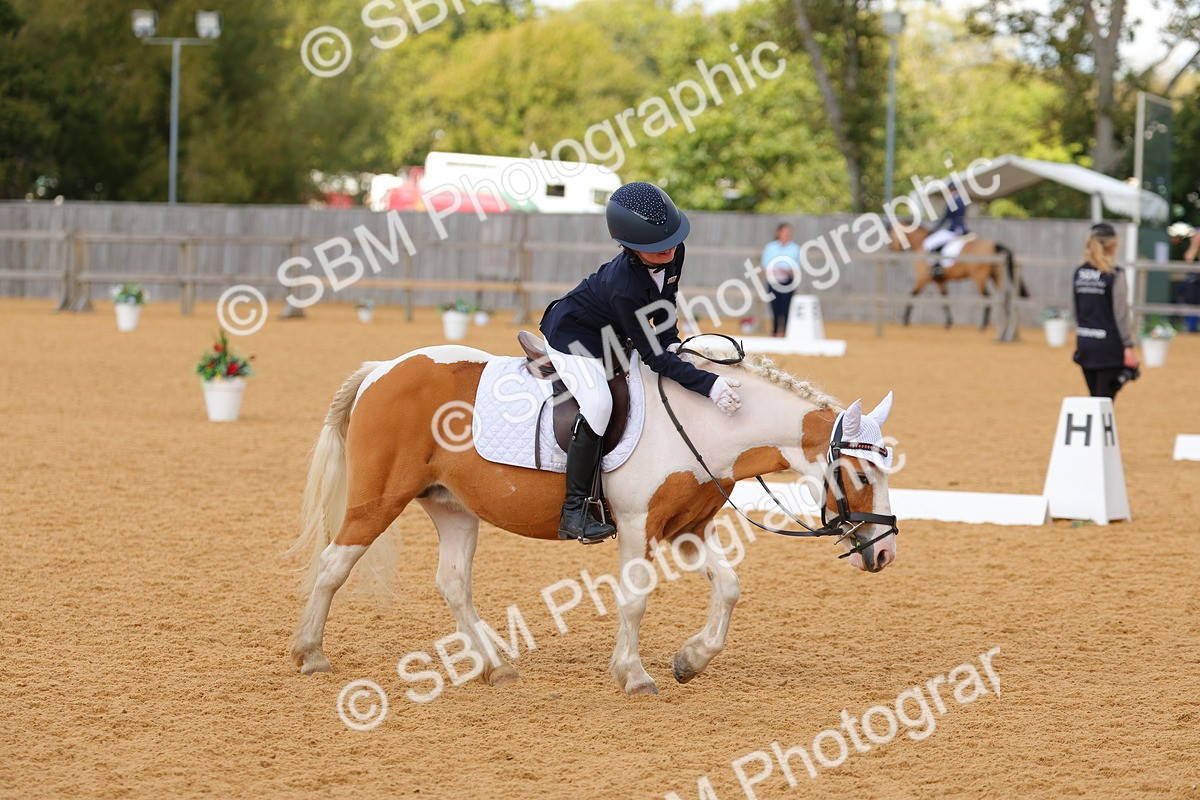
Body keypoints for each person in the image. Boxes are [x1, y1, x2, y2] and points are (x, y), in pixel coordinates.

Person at [539, 182, 742, 543]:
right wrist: (708, 385)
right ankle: (574, 511)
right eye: (655, 247)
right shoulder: (624, 285)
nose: (667, 250)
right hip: (574, 335)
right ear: (631, 247)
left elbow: (666, 302)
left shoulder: (675, 252)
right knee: (600, 404)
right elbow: (652, 357)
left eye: (671, 242)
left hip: (613, 331)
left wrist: (674, 342)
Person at [1072, 223, 1139, 400]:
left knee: (1095, 400)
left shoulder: (1079, 272)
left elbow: (1077, 310)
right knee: (1104, 403)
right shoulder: (1115, 274)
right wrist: (1128, 346)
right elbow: (1121, 313)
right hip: (1108, 347)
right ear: (1112, 246)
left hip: (1085, 343)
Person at [761, 223, 801, 336]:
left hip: (788, 281)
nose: (787, 234)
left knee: (787, 307)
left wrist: (787, 271)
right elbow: (764, 265)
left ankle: (786, 332)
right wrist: (775, 270)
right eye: (785, 232)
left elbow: (797, 267)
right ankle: (774, 331)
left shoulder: (795, 248)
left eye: (789, 232)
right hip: (773, 280)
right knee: (774, 307)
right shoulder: (770, 247)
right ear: (778, 232)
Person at [923, 184, 968, 280]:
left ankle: (937, 268)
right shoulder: (962, 200)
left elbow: (945, 218)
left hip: (953, 230)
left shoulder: (954, 202)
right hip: (960, 229)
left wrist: (934, 229)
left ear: (951, 190)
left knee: (929, 243)